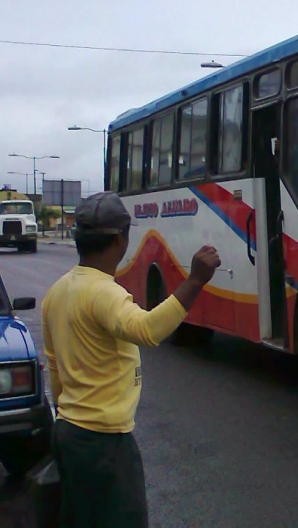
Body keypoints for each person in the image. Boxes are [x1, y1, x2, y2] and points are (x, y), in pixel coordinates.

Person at [42, 191, 221, 527]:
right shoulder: (105, 293)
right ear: (120, 241)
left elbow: (54, 369)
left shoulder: (57, 292)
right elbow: (148, 329)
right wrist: (195, 280)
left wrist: (67, 416)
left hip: (68, 434)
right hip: (104, 442)